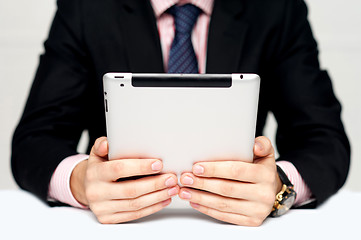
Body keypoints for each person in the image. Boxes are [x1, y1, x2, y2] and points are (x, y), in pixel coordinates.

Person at [11, 0, 350, 226]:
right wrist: (82, 181)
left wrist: (279, 186)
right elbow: (35, 141)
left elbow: (324, 139)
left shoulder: (276, 8)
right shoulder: (87, 8)